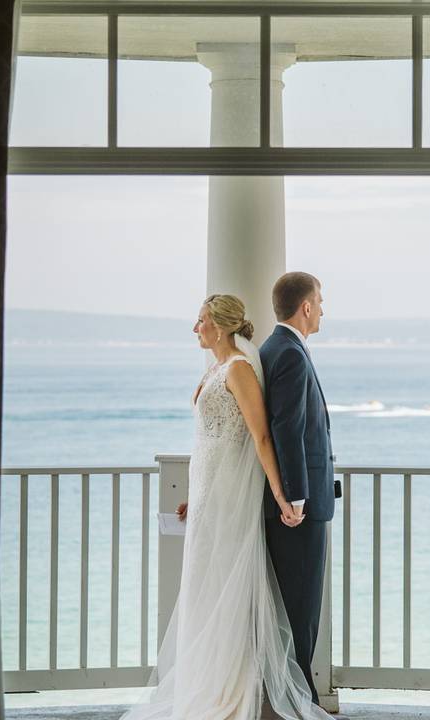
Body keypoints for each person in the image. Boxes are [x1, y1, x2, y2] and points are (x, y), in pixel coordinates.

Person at [119, 293, 333, 720]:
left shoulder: (239, 369)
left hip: (230, 501)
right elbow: (212, 441)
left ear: (220, 325)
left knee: (227, 592)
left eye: (200, 321)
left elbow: (261, 438)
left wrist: (281, 493)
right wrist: (194, 493)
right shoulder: (216, 369)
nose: (195, 328)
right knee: (204, 588)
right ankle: (208, 684)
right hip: (207, 497)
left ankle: (231, 693)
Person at [259, 272, 336, 706]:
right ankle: (299, 705)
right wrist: (296, 496)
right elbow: (288, 427)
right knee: (300, 611)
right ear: (305, 307)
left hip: (293, 502)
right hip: (297, 509)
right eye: (320, 301)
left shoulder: (277, 348)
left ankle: (291, 699)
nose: (323, 309)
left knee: (292, 610)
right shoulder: (288, 353)